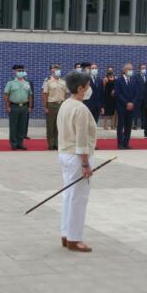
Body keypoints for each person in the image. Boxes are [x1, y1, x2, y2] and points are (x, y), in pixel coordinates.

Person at [57, 71, 96, 253]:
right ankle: (75, 238)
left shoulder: (66, 104)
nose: (89, 89)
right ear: (80, 88)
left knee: (69, 196)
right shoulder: (80, 108)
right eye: (87, 86)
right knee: (78, 198)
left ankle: (66, 234)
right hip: (76, 156)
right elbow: (81, 139)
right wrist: (86, 164)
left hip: (65, 153)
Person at [4, 65, 33, 150]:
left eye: (22, 70)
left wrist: (30, 106)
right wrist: (7, 106)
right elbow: (6, 94)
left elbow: (30, 95)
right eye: (18, 70)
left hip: (24, 106)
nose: (20, 72)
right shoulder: (11, 82)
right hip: (14, 106)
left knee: (22, 126)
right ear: (15, 72)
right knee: (13, 126)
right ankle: (13, 143)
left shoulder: (27, 83)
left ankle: (20, 143)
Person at [43, 64, 67, 150]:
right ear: (51, 70)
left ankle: (57, 144)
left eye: (58, 68)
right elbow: (45, 94)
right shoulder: (48, 81)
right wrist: (45, 106)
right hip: (51, 105)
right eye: (55, 68)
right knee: (50, 126)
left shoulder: (63, 81)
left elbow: (66, 94)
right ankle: (51, 144)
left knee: (59, 126)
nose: (57, 70)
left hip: (61, 104)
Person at [114, 63, 138, 149]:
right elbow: (118, 93)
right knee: (121, 125)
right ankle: (120, 143)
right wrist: (126, 103)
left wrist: (132, 103)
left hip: (131, 107)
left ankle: (126, 143)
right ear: (124, 70)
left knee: (128, 126)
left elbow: (136, 93)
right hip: (122, 106)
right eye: (129, 69)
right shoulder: (118, 80)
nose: (131, 71)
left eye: (132, 69)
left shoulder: (134, 80)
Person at [133, 64, 147, 130]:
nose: (144, 70)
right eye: (142, 68)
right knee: (136, 112)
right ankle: (135, 125)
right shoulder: (136, 77)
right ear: (139, 69)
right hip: (138, 98)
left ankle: (143, 125)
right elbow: (135, 87)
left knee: (144, 112)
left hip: (145, 98)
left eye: (144, 68)